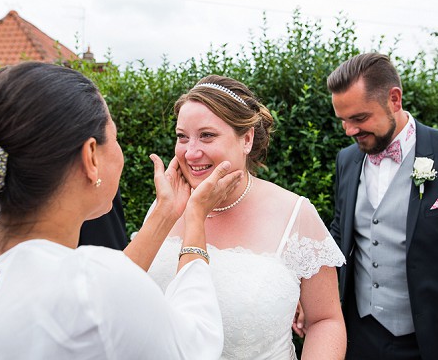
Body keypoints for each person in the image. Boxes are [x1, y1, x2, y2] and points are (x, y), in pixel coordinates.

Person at [0, 61, 243, 358]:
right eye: (115, 138)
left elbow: (99, 289)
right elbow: (196, 343)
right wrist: (195, 219)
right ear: (90, 156)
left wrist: (165, 213)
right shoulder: (94, 286)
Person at [144, 75, 346, 359]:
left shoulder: (295, 214)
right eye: (182, 137)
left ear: (247, 139)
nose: (190, 152)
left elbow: (325, 320)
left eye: (207, 135)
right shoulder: (163, 206)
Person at [327, 53, 438, 359]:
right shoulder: (347, 160)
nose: (349, 131)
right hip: (361, 339)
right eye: (342, 120)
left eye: (359, 118)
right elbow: (339, 238)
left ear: (394, 99)